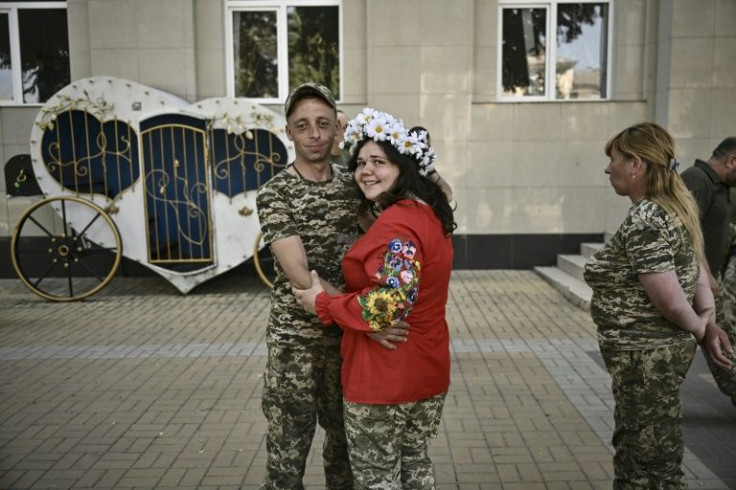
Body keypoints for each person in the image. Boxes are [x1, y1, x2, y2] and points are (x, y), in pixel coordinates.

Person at [292, 107, 456, 489]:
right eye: (360, 162)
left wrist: (324, 304)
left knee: (377, 481)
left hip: (387, 377)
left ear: (402, 167)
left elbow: (389, 304)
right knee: (416, 469)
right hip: (425, 371)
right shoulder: (428, 214)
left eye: (378, 162)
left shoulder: (399, 225)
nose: (365, 170)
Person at [583, 123, 734, 488]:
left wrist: (702, 328)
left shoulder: (647, 219)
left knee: (646, 460)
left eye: (614, 160)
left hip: (646, 358)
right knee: (655, 450)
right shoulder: (674, 206)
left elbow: (667, 298)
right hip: (657, 356)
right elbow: (698, 268)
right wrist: (708, 321)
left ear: (636, 164)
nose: (608, 169)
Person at [255, 83, 358, 490]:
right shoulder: (275, 192)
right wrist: (357, 311)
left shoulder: (356, 183)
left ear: (336, 129)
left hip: (348, 344)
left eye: (323, 124)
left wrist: (352, 317)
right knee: (287, 450)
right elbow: (300, 276)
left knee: (347, 447)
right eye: (303, 125)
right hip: (294, 343)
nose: (314, 133)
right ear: (289, 133)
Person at [681, 138, 736, 406]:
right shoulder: (697, 179)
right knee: (725, 348)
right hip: (695, 285)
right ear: (732, 161)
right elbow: (685, 232)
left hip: (709, 284)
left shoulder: (722, 187)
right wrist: (707, 275)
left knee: (724, 345)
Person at [408, 125, 454, 202]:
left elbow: (448, 196)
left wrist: (431, 170)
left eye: (427, 147)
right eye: (421, 147)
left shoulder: (428, 170)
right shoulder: (403, 169)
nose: (424, 151)